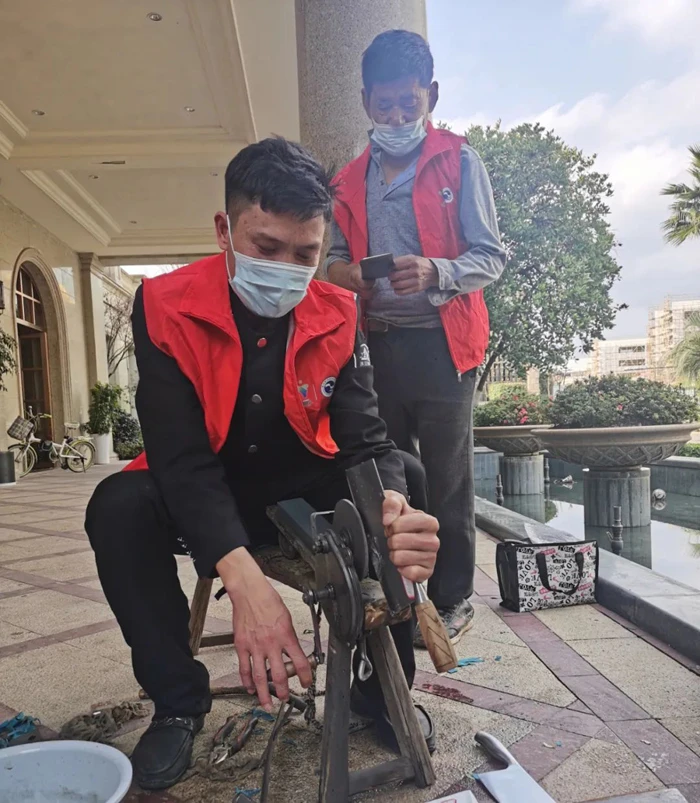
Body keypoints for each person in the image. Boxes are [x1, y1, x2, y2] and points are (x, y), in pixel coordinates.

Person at [85, 137, 441, 791]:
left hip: (300, 477)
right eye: (266, 246)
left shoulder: (339, 311)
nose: (285, 269)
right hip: (205, 481)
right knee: (117, 507)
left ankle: (378, 694)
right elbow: (181, 457)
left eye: (305, 254)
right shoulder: (163, 304)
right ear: (225, 230)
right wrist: (245, 582)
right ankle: (177, 701)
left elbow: (364, 439)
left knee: (403, 480)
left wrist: (393, 504)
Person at [325, 30, 506, 646]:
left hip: (446, 345)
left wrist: (437, 272)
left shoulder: (460, 161)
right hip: (377, 345)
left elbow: (490, 256)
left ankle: (453, 597)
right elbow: (332, 260)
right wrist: (350, 275)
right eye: (385, 105)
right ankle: (399, 591)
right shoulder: (348, 181)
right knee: (392, 474)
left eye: (410, 103)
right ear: (366, 102)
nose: (398, 116)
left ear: (431, 95)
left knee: (448, 477)